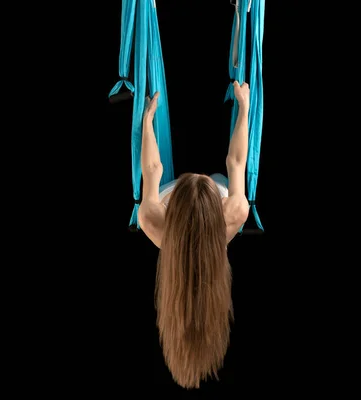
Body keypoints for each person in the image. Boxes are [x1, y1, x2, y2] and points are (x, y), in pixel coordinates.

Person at [138, 81, 251, 389]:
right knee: (228, 183)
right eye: (203, 181)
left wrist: (147, 120)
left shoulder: (153, 218)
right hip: (202, 209)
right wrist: (244, 107)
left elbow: (152, 168)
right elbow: (236, 162)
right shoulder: (234, 211)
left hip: (173, 200)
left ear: (171, 211)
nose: (201, 174)